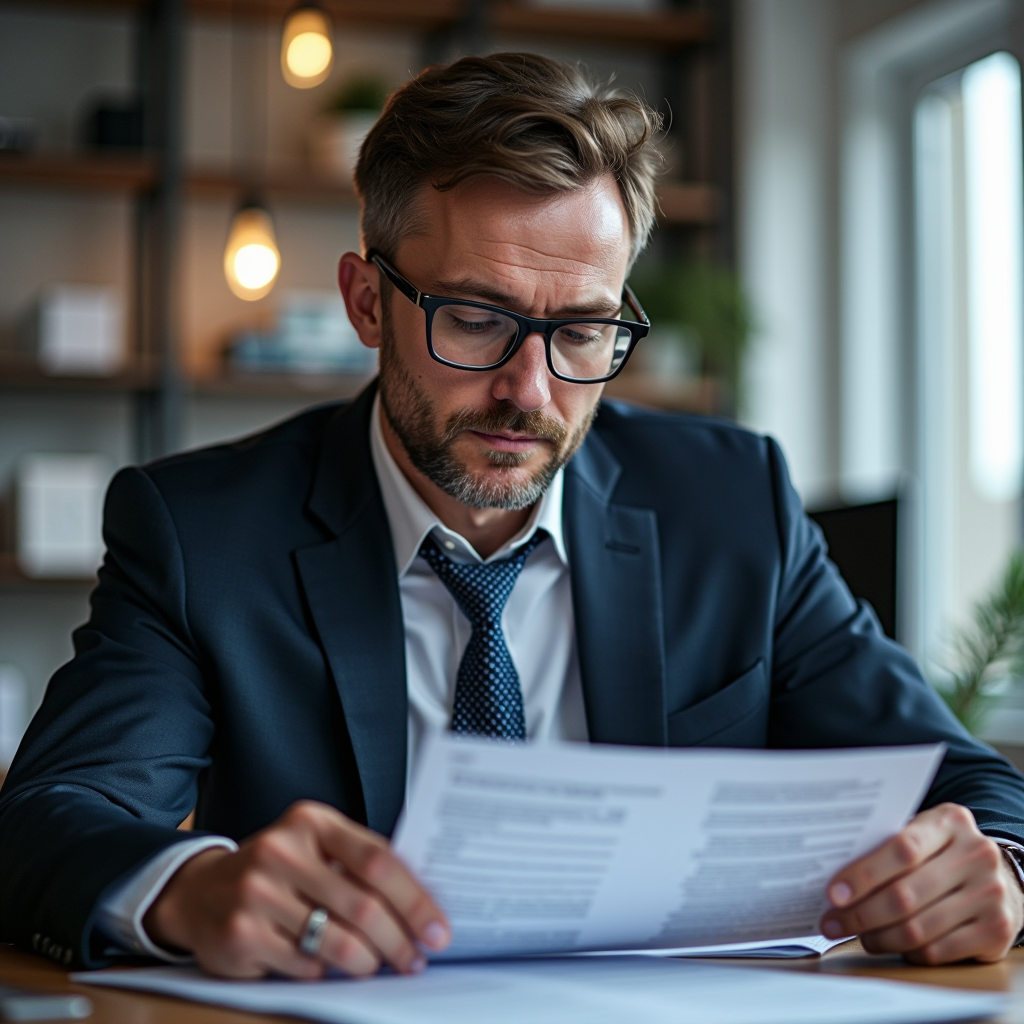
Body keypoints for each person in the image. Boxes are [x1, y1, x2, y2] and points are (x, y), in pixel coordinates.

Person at [2, 52, 1023, 979]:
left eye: (582, 329)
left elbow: (970, 781)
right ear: (366, 302)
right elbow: (45, 821)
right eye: (477, 319)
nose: (528, 389)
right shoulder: (203, 533)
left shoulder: (733, 505)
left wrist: (996, 872)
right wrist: (188, 889)